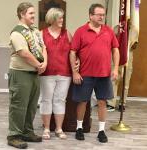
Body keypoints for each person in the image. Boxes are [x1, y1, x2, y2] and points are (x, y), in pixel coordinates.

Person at [70, 3, 120, 143]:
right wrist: (75, 72)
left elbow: (115, 50)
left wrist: (115, 68)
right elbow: (73, 52)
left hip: (104, 74)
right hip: (85, 74)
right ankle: (79, 128)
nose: (101, 17)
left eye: (103, 15)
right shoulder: (81, 31)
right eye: (99, 15)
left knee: (102, 102)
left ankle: (101, 131)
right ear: (90, 15)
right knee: (82, 102)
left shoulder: (108, 31)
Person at [7, 2, 47, 149]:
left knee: (31, 106)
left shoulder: (35, 31)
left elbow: (43, 47)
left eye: (34, 13)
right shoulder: (17, 32)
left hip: (34, 73)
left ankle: (27, 132)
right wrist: (39, 64)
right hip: (20, 73)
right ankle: (14, 135)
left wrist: (44, 63)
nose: (34, 16)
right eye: (31, 13)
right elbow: (23, 53)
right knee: (19, 105)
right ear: (22, 14)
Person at [39, 8, 79, 140]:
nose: (62, 20)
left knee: (60, 100)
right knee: (46, 100)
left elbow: (74, 52)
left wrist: (77, 61)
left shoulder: (67, 33)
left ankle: (59, 128)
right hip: (47, 73)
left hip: (64, 73)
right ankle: (46, 128)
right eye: (59, 18)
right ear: (52, 19)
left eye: (62, 17)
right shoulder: (41, 34)